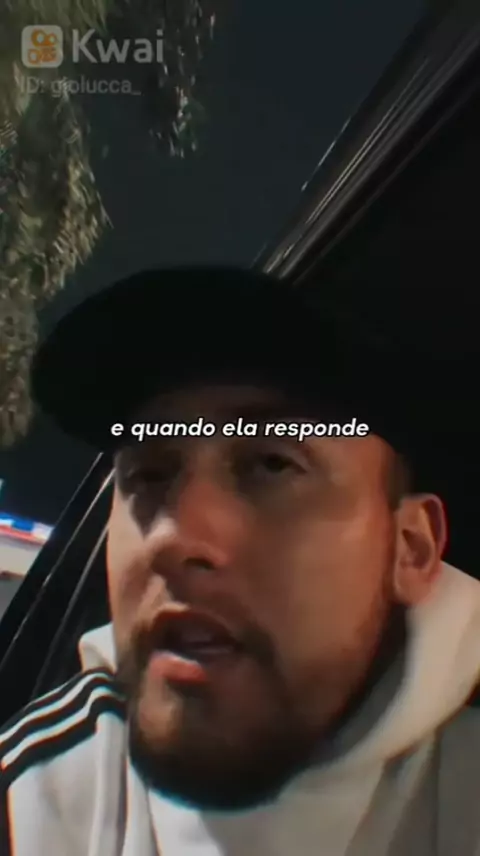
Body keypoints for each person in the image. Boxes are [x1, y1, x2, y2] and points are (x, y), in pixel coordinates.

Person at [1, 266, 480, 856]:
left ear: (411, 549)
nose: (172, 538)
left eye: (272, 464)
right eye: (148, 474)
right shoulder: (32, 802)